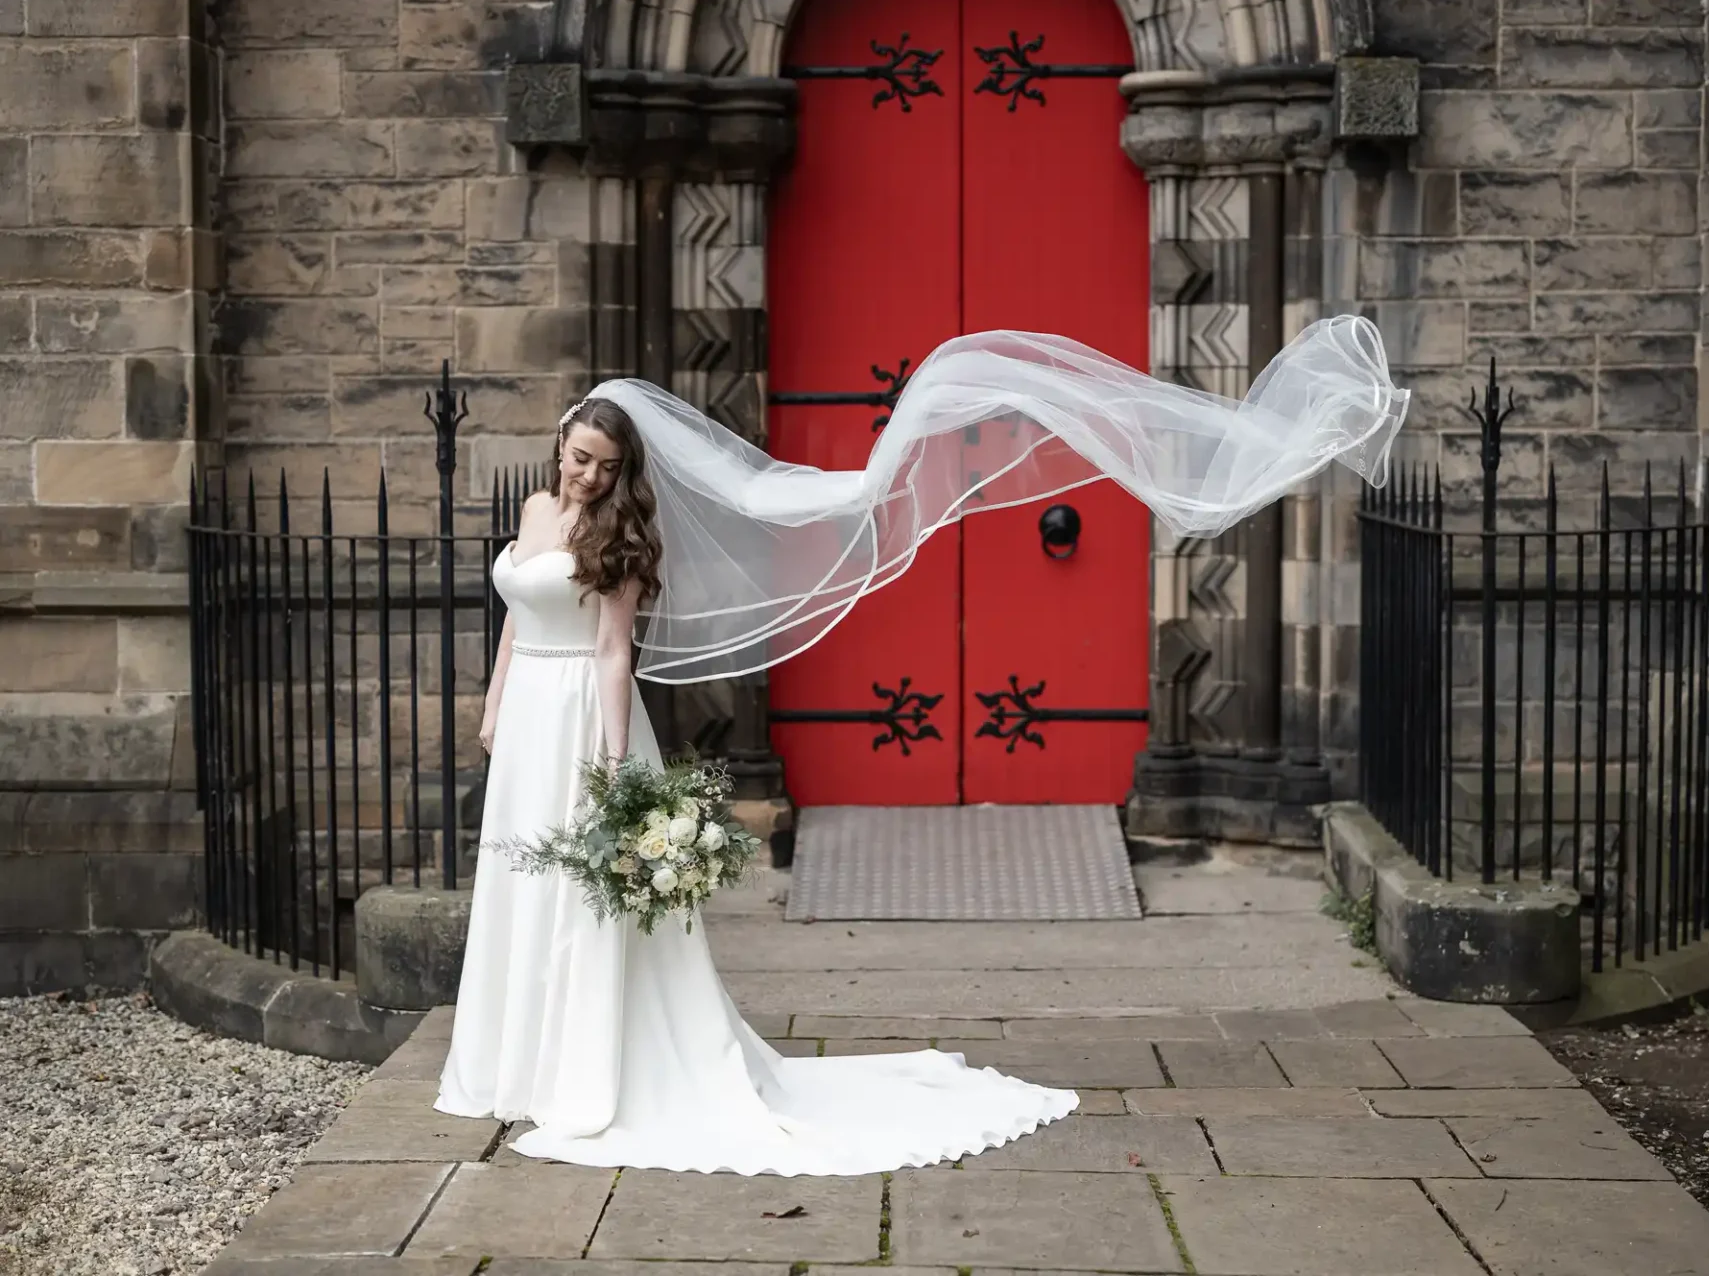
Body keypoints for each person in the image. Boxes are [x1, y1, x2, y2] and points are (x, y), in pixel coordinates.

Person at [435, 317, 1410, 1173]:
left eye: (604, 464)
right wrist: (490, 704)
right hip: (526, 722)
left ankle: (587, 1071)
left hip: (583, 728)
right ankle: (516, 1058)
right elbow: (519, 614)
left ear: (622, 467)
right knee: (522, 887)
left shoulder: (621, 542)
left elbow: (614, 659)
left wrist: (615, 770)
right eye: (578, 458)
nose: (587, 474)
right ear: (559, 444)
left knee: (589, 902)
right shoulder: (531, 513)